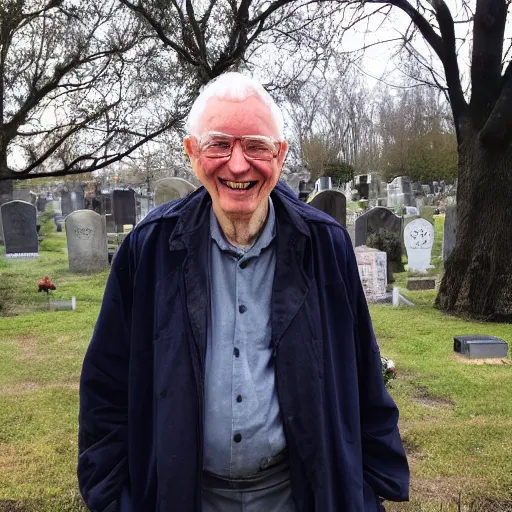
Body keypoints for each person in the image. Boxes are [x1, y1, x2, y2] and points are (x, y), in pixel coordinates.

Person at [78, 72, 409, 512]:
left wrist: (367, 491)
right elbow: (106, 390)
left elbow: (363, 377)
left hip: (297, 495)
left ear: (280, 155)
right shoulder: (150, 250)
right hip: (184, 496)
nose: (238, 165)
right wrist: (113, 498)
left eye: (255, 145)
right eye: (219, 144)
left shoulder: (325, 246)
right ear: (192, 153)